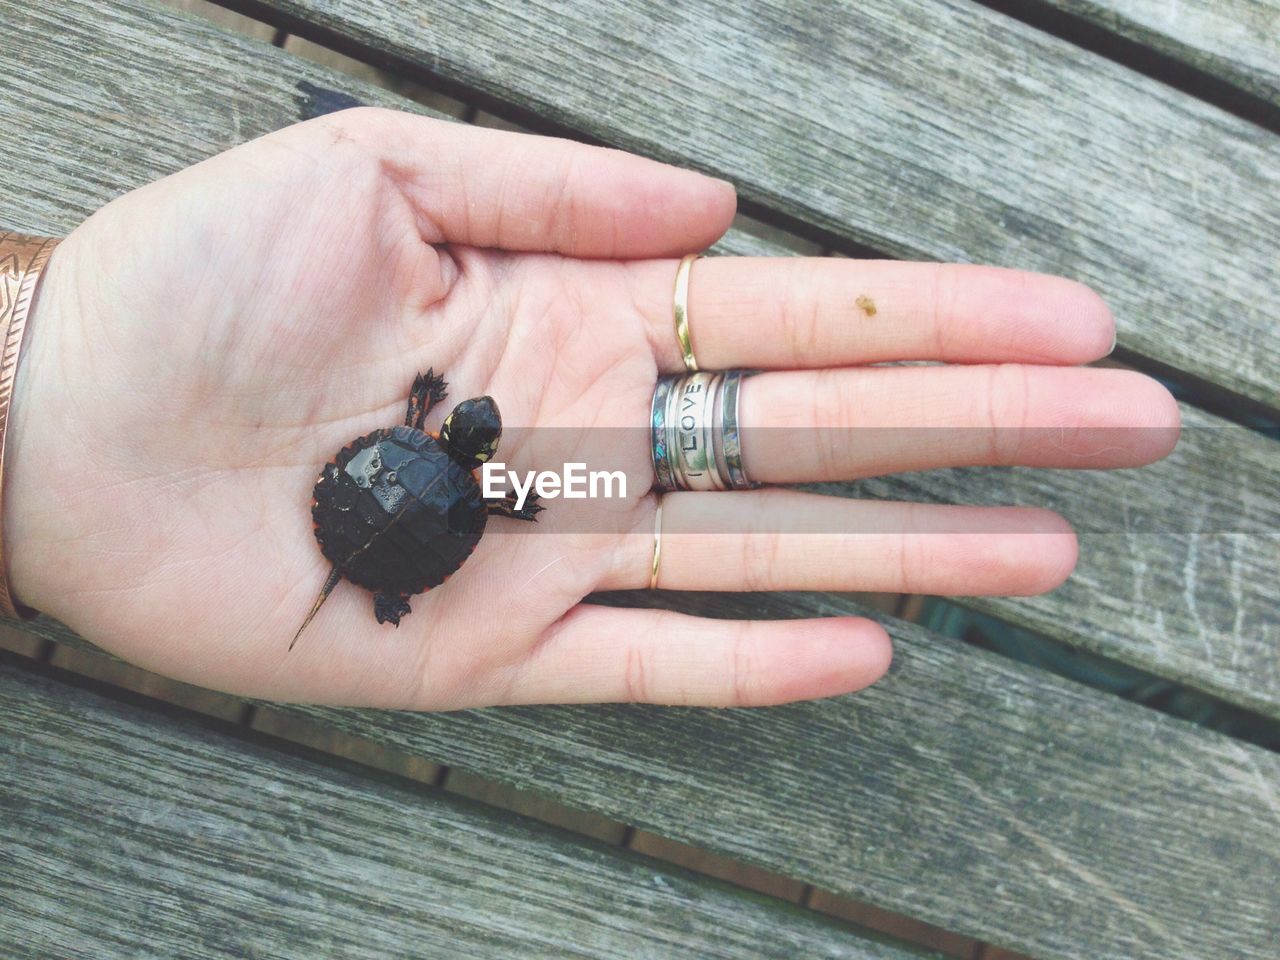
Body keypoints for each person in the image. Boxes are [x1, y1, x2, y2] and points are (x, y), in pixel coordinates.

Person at [0, 108, 1178, 710]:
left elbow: (476, 482)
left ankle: (387, 588)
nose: (471, 428)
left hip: (381, 529)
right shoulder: (477, 479)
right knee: (440, 546)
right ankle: (389, 589)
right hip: (393, 543)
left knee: (416, 551)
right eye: (471, 432)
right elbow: (500, 494)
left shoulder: (431, 451)